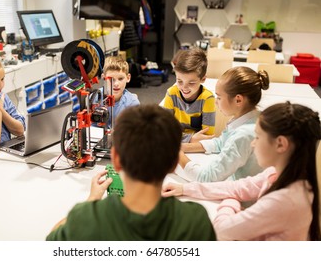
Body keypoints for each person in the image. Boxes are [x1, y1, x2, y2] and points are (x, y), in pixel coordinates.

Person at [46, 104, 216, 241]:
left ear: (116, 159)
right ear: (174, 164)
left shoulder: (84, 218)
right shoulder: (196, 221)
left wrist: (91, 200)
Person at [163, 102, 321, 241]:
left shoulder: (284, 200)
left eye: (258, 137)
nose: (253, 144)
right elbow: (240, 187)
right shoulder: (278, 174)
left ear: (280, 144)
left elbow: (222, 230)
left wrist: (230, 202)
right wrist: (186, 188)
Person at [180, 66, 270, 182]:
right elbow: (222, 142)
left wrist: (177, 155)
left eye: (219, 97)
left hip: (243, 194)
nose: (216, 102)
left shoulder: (244, 134)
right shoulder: (254, 117)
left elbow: (207, 178)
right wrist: (183, 147)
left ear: (238, 100)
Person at [163, 48, 215, 143]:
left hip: (193, 148)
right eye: (179, 81)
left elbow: (207, 136)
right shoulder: (171, 93)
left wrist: (178, 137)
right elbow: (164, 130)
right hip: (174, 143)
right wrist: (190, 139)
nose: (184, 87)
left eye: (191, 83)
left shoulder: (207, 98)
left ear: (203, 79)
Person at [102, 56, 140, 127]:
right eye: (111, 79)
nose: (116, 84)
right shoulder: (94, 98)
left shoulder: (132, 103)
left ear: (128, 78)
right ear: (103, 78)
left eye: (120, 78)